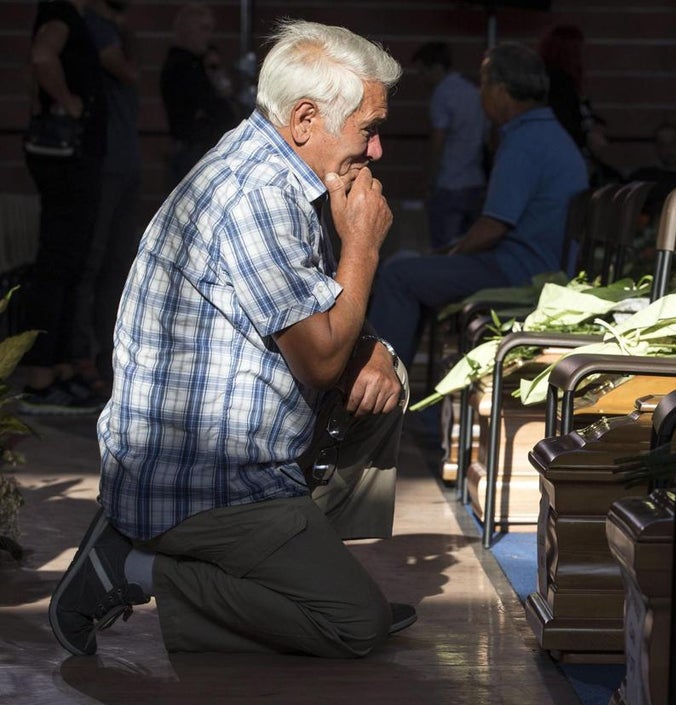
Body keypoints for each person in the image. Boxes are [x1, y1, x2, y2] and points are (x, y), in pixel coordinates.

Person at [49, 20, 414, 659]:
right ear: (305, 119)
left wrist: (371, 343)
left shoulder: (269, 160)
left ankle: (306, 573)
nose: (377, 151)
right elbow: (323, 359)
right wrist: (363, 245)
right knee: (356, 627)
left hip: (227, 463)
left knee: (387, 373)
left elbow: (313, 303)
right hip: (206, 482)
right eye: (368, 129)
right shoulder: (261, 197)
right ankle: (128, 569)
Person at [368, 42, 588, 367]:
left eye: (483, 84)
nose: (480, 93)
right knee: (415, 269)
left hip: (519, 274)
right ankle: (410, 398)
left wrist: (449, 257)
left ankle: (375, 392)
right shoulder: (551, 133)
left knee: (397, 275)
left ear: (500, 90)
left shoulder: (524, 142)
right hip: (540, 268)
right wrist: (442, 259)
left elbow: (492, 228)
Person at [19, 0, 108, 414]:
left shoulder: (76, 16)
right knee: (57, 263)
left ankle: (59, 371)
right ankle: (40, 377)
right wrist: (69, 102)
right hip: (66, 159)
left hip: (77, 160)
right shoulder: (60, 11)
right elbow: (41, 55)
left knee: (70, 263)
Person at [76, 0, 140, 395]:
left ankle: (106, 357)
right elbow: (128, 70)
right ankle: (84, 357)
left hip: (123, 159)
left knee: (117, 264)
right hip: (103, 163)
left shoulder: (110, 26)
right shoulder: (94, 26)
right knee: (92, 262)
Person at [410, 41, 486, 251]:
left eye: (423, 72)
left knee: (444, 249)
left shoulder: (441, 95)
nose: (421, 79)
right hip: (475, 180)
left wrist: (429, 180)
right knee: (469, 248)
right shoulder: (473, 91)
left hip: (449, 183)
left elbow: (438, 141)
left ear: (435, 68)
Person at [160, 2, 238, 189]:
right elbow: (212, 107)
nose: (208, 36)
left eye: (210, 29)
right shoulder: (182, 66)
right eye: (203, 28)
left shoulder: (201, 64)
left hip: (206, 150)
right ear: (186, 29)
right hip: (193, 151)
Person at [538, 24, 619, 186]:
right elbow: (566, 123)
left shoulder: (556, 82)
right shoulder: (560, 83)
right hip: (568, 163)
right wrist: (587, 136)